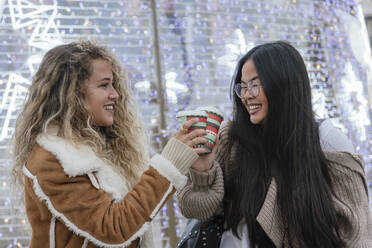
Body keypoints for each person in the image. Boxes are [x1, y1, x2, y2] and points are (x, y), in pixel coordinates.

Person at [11, 40, 208, 248]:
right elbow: (113, 228)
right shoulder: (54, 159)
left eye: (113, 84)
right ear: (72, 93)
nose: (114, 94)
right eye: (104, 85)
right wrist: (170, 164)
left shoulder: (101, 149)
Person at [177, 41, 372, 247]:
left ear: (283, 83)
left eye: (254, 84)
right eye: (242, 87)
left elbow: (357, 231)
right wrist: (203, 171)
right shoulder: (231, 138)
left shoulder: (327, 140)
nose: (246, 95)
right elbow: (196, 210)